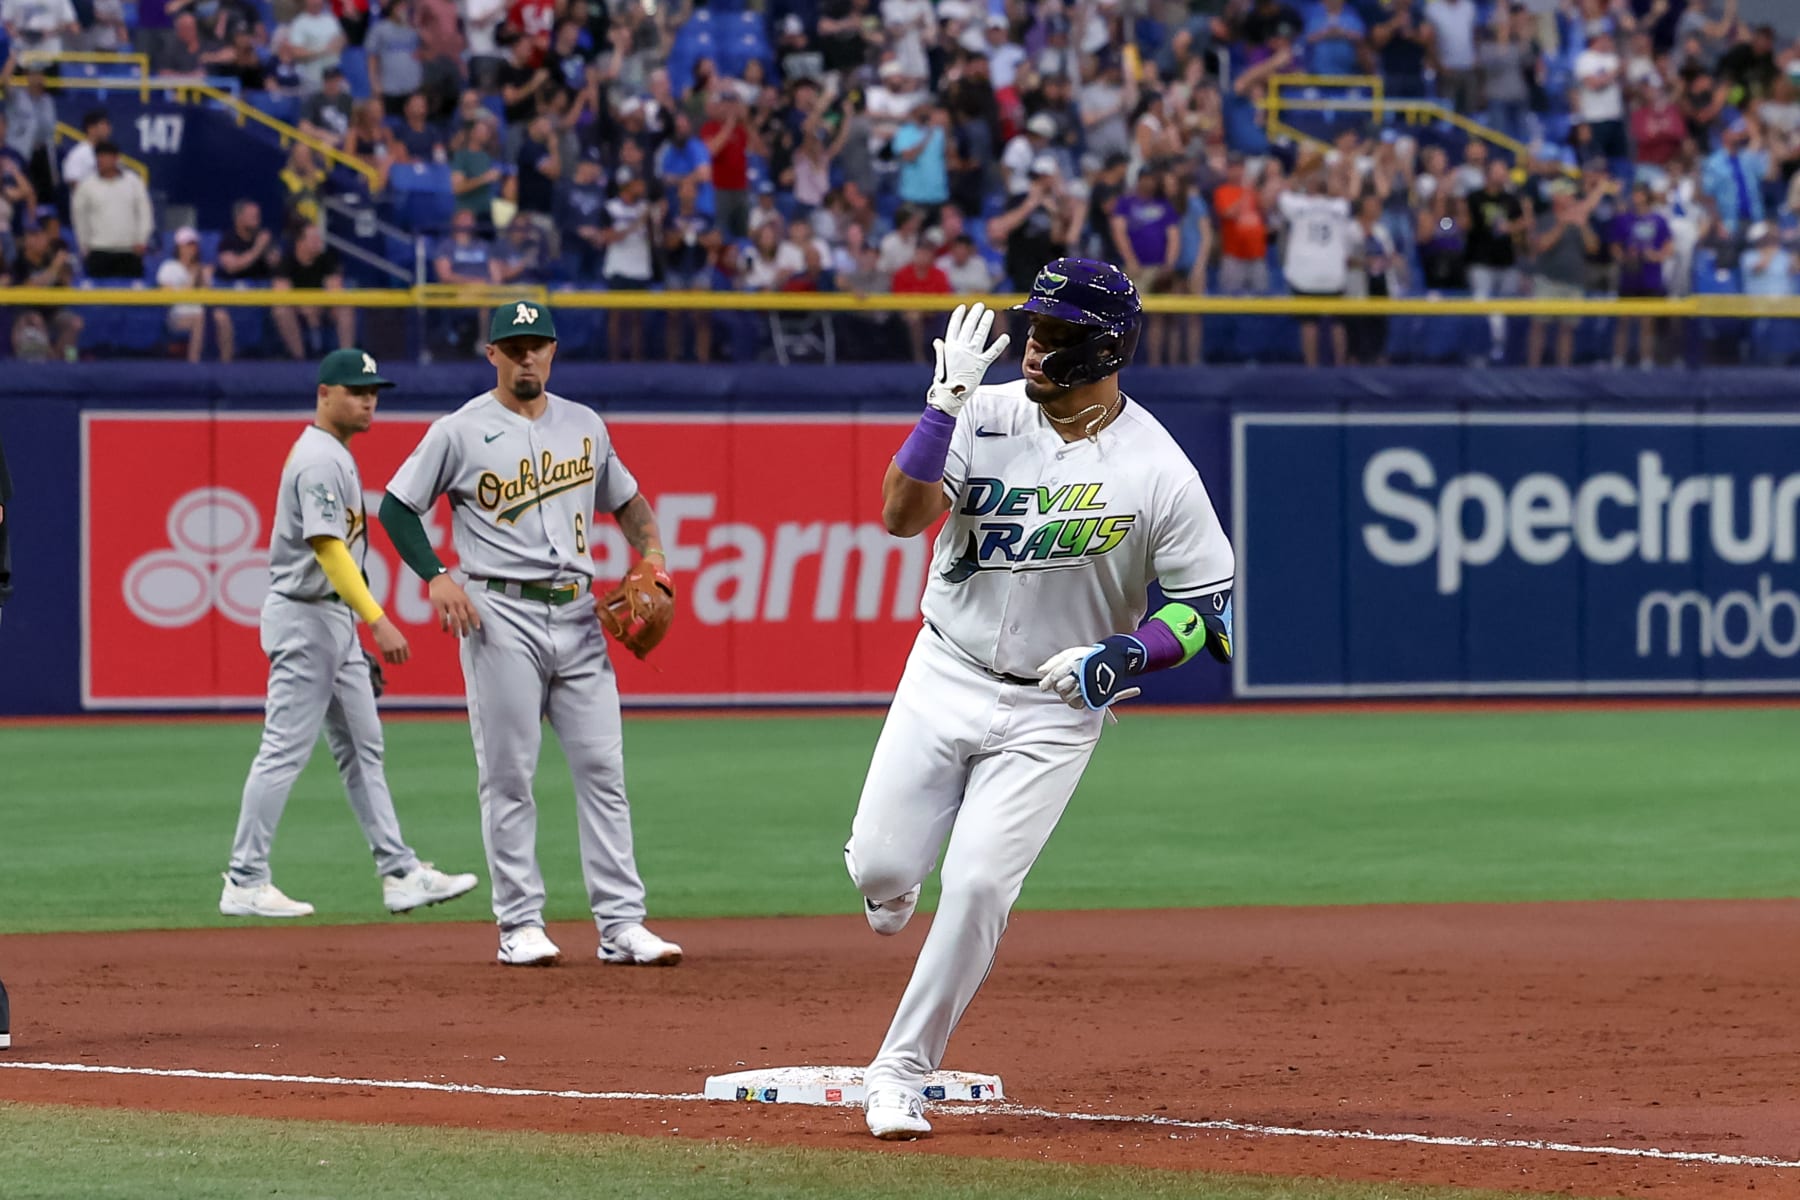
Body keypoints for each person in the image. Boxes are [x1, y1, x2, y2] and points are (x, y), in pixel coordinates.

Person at [851, 268, 1234, 1140]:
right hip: (943, 671)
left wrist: (1124, 655)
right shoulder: (981, 413)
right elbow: (900, 517)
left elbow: (1205, 609)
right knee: (879, 872)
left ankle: (901, 1071)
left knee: (982, 883)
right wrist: (941, 404)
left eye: (1054, 331)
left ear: (1105, 348)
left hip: (1053, 710)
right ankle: (886, 878)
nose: (1031, 342)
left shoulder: (1158, 468)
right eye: (1032, 323)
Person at [378, 302, 685, 968]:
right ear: (492, 354)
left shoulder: (585, 424)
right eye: (512, 346)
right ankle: (518, 922)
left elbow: (626, 500)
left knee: (604, 771)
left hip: (578, 615)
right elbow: (397, 506)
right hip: (499, 615)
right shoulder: (458, 431)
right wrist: (435, 576)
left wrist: (653, 554)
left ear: (552, 350)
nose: (525, 357)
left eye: (536, 345)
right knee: (510, 775)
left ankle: (621, 924)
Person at [221, 349, 481, 920]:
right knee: (284, 750)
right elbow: (328, 548)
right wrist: (377, 618)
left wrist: (351, 633)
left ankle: (399, 872)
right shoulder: (318, 458)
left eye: (373, 391)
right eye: (356, 390)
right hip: (305, 615)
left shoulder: (334, 454)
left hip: (331, 620)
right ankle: (244, 877)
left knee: (364, 750)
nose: (368, 400)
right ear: (324, 394)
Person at [1610, 181, 1672, 369]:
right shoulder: (1624, 219)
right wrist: (1624, 258)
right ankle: (1618, 360)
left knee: (1647, 322)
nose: (1635, 197)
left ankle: (1646, 360)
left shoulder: (1658, 220)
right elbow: (1614, 246)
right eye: (1634, 193)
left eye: (1639, 193)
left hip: (1650, 277)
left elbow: (1668, 246)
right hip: (1629, 276)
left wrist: (1656, 256)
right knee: (1623, 321)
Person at [273, 222, 356, 358]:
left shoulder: (327, 258)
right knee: (280, 310)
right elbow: (281, 294)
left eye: (319, 238)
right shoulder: (286, 261)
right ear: (300, 241)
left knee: (345, 307)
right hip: (296, 308)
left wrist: (317, 304)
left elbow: (335, 290)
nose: (319, 242)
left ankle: (346, 357)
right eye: (313, 239)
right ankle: (299, 357)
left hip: (323, 305)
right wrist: (302, 306)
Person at [71, 142, 152, 280]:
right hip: (99, 250)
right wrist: (83, 244)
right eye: (98, 156)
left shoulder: (133, 182)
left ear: (115, 159)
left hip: (129, 250)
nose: (101, 160)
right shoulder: (87, 186)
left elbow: (145, 212)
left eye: (104, 156)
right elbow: (79, 217)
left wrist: (142, 240)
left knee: (131, 298)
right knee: (98, 299)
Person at [157, 226, 235, 363]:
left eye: (194, 245)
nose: (191, 249)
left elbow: (211, 300)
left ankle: (226, 364)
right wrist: (192, 277)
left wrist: (205, 278)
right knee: (198, 318)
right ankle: (194, 363)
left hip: (201, 313)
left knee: (222, 316)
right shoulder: (168, 267)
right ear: (179, 247)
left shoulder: (201, 268)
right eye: (187, 245)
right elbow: (167, 299)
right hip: (177, 316)